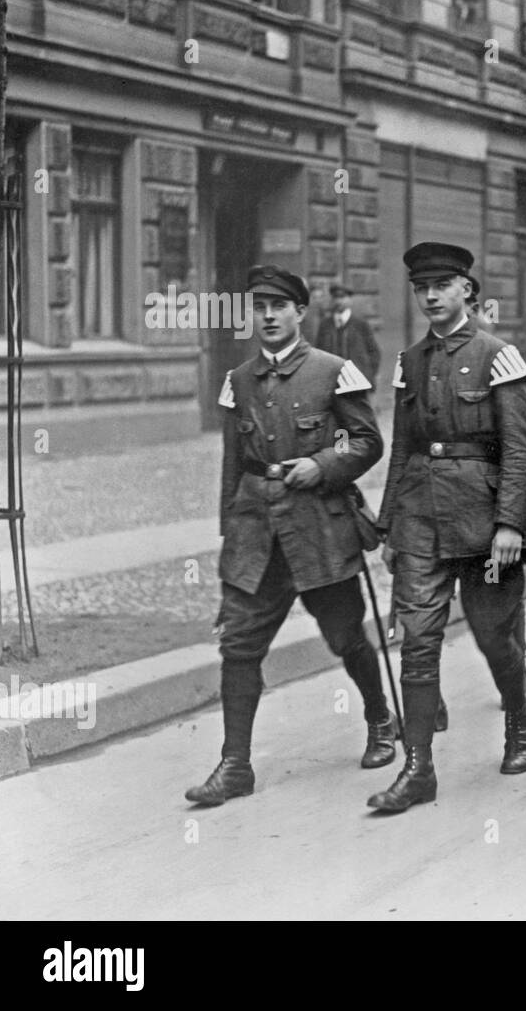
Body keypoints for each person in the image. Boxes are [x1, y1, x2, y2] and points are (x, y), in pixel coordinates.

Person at [187, 264, 391, 806]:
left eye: (279, 307)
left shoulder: (334, 371)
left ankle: (379, 720)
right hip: (258, 534)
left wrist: (322, 465)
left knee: (345, 637)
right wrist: (229, 538)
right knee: (239, 644)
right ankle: (235, 765)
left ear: (301, 313)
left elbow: (367, 443)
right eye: (259, 307)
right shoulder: (238, 382)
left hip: (319, 528)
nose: (269, 316)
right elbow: (232, 467)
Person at [368, 242, 526, 814]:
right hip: (419, 516)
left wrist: (510, 523)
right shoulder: (408, 362)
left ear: (468, 288)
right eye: (422, 288)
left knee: (494, 636)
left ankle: (517, 717)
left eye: (443, 285)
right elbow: (401, 449)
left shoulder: (499, 355)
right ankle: (419, 770)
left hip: (484, 518)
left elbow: (518, 450)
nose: (432, 296)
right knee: (417, 641)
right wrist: (389, 524)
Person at [314, 283, 382, 388]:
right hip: (331, 383)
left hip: (356, 384)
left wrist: (367, 375)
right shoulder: (325, 325)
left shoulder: (360, 324)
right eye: (336, 297)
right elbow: (318, 354)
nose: (339, 301)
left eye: (342, 297)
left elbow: (374, 353)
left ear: (350, 300)